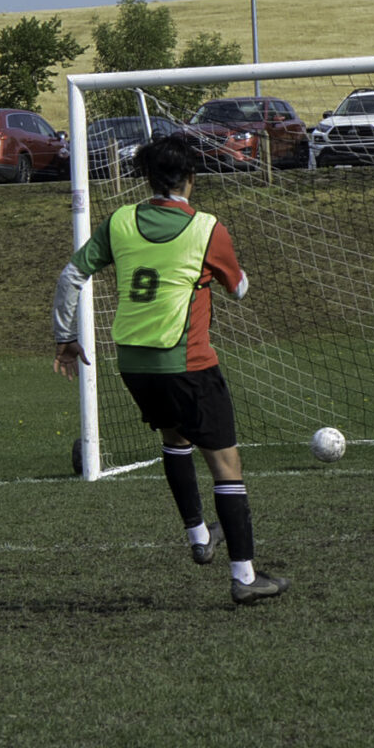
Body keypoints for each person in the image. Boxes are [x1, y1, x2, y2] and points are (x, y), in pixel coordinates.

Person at [52, 133, 288, 605]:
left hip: (134, 365)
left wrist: (64, 337)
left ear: (147, 178)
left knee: (176, 438)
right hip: (188, 363)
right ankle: (244, 577)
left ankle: (199, 536)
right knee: (226, 465)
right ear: (191, 179)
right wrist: (230, 275)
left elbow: (71, 275)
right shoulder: (207, 228)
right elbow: (239, 289)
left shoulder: (119, 221)